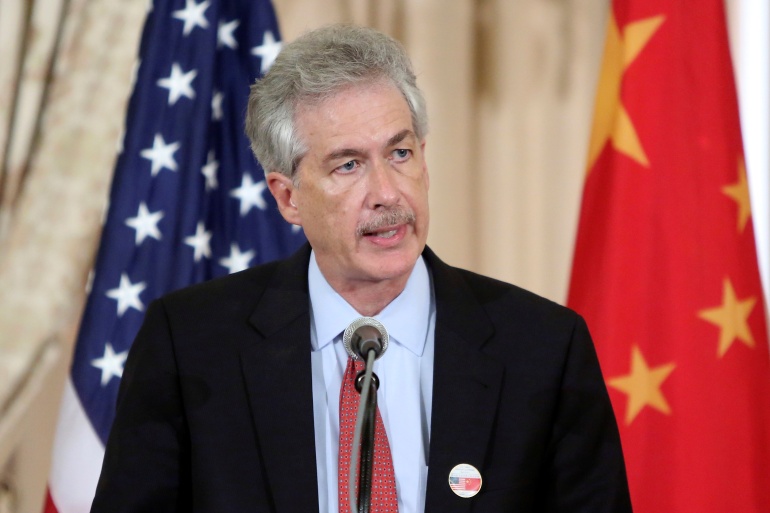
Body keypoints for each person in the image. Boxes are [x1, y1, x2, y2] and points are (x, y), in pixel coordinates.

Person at [91, 24, 632, 513]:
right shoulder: (190, 345)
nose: (386, 193)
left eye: (399, 155)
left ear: (423, 155)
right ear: (288, 197)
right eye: (348, 165)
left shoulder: (543, 349)